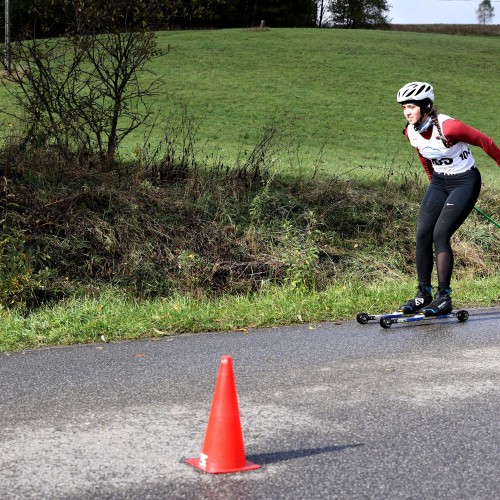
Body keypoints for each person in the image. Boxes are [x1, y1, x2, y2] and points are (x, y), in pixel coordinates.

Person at [396, 81, 500, 316]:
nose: (407, 112)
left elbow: (487, 142)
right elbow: (424, 155)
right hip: (440, 183)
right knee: (422, 233)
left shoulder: (449, 127)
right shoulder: (410, 131)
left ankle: (444, 296)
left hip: (465, 182)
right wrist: (432, 179)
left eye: (411, 106)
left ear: (425, 106)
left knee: (440, 234)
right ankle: (423, 293)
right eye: (404, 108)